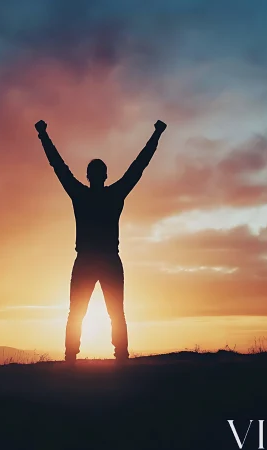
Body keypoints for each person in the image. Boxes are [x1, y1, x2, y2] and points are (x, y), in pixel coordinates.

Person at [34, 119, 167, 362]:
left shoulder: (80, 194)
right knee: (113, 313)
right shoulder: (113, 194)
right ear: (105, 176)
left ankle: (72, 359)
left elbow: (58, 165)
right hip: (105, 260)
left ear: (89, 176)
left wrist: (43, 135)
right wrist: (156, 134)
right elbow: (139, 166)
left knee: (80, 313)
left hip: (88, 260)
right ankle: (119, 358)